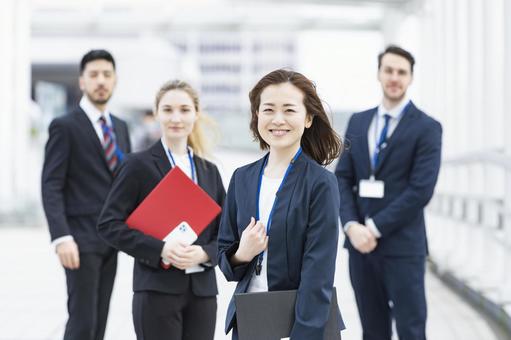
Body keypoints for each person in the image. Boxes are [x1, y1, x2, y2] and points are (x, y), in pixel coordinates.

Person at [218, 69, 345, 339]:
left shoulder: (320, 183)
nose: (278, 120)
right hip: (251, 319)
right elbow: (224, 255)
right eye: (268, 110)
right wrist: (243, 252)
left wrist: (303, 334)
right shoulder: (242, 178)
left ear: (308, 118)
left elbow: (318, 272)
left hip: (302, 323)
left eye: (289, 110)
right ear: (256, 116)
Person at [97, 80, 225, 340]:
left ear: (196, 114)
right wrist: (161, 249)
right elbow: (109, 225)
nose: (176, 118)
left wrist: (204, 253)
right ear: (156, 114)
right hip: (156, 290)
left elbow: (225, 231)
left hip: (202, 293)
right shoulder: (137, 165)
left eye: (184, 110)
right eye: (167, 110)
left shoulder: (209, 171)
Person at [335, 45, 442, 340]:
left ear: (410, 78)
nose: (394, 77)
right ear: (379, 74)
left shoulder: (428, 128)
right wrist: (352, 225)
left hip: (403, 248)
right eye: (389, 70)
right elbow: (342, 177)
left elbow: (421, 190)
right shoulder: (358, 122)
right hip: (359, 248)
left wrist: (373, 227)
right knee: (373, 331)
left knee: (411, 329)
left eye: (401, 72)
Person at [41, 49, 131, 340]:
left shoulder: (120, 127)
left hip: (111, 239)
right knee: (82, 323)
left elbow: (127, 183)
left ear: (115, 80)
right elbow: (51, 184)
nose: (100, 81)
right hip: (78, 241)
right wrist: (61, 237)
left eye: (107, 74)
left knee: (100, 322)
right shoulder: (64, 126)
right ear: (82, 81)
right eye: (93, 75)